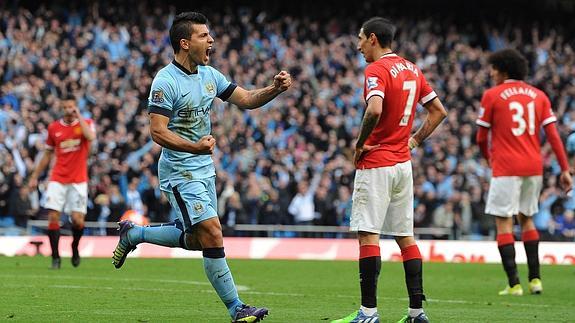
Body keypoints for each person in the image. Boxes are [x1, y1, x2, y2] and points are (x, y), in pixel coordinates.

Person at [111, 12, 291, 323]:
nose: (212, 41)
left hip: (204, 169)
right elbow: (157, 132)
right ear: (185, 43)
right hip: (180, 172)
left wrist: (274, 89)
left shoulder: (210, 75)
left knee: (198, 239)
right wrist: (196, 147)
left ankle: (135, 234)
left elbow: (246, 99)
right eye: (204, 36)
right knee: (212, 232)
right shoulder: (165, 81)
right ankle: (237, 308)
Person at [332, 17, 447, 323]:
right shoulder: (412, 68)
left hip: (377, 163)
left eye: (360, 39)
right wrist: (416, 140)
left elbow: (374, 108)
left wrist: (359, 143)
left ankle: (368, 312)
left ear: (372, 38)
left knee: (369, 236)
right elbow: (439, 111)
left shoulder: (376, 70)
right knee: (405, 237)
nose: (358, 46)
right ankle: (416, 313)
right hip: (402, 164)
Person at [476, 48, 572, 296]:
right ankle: (536, 280)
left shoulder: (492, 95)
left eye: (494, 69)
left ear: (504, 70)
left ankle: (514, 283)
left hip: (506, 167)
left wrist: (489, 159)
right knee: (527, 218)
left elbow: (480, 137)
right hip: (533, 167)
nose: (491, 73)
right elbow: (553, 135)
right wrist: (564, 169)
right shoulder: (539, 96)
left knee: (504, 222)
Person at [28, 95, 96, 269]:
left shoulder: (85, 123)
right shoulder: (54, 128)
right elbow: (47, 154)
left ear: (76, 107)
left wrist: (79, 115)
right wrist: (35, 176)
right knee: (53, 216)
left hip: (78, 180)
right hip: (58, 177)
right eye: (65, 107)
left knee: (78, 220)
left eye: (71, 107)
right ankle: (56, 258)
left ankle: (74, 247)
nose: (69, 110)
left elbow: (90, 137)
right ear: (61, 108)